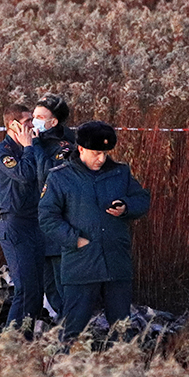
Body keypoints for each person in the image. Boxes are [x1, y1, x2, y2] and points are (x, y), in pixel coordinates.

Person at [38, 121, 150, 345]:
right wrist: (75, 240)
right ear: (81, 149)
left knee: (123, 329)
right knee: (72, 327)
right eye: (96, 153)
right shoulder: (60, 177)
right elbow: (47, 218)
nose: (101, 158)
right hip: (81, 264)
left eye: (105, 153)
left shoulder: (120, 173)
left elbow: (142, 199)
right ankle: (64, 372)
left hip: (116, 262)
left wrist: (126, 207)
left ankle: (125, 373)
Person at [0, 104, 44, 336]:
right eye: (27, 122)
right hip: (14, 225)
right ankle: (10, 342)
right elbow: (25, 174)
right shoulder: (3, 151)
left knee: (36, 290)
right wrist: (29, 148)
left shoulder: (31, 147)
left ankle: (26, 339)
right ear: (13, 125)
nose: (32, 125)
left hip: (35, 223)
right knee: (23, 289)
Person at [31, 94, 76, 320]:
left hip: (58, 225)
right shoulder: (34, 141)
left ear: (54, 122)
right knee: (48, 285)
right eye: (34, 116)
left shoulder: (65, 147)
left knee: (62, 285)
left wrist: (36, 146)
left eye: (40, 117)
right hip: (38, 225)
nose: (34, 121)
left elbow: (46, 177)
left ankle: (72, 330)